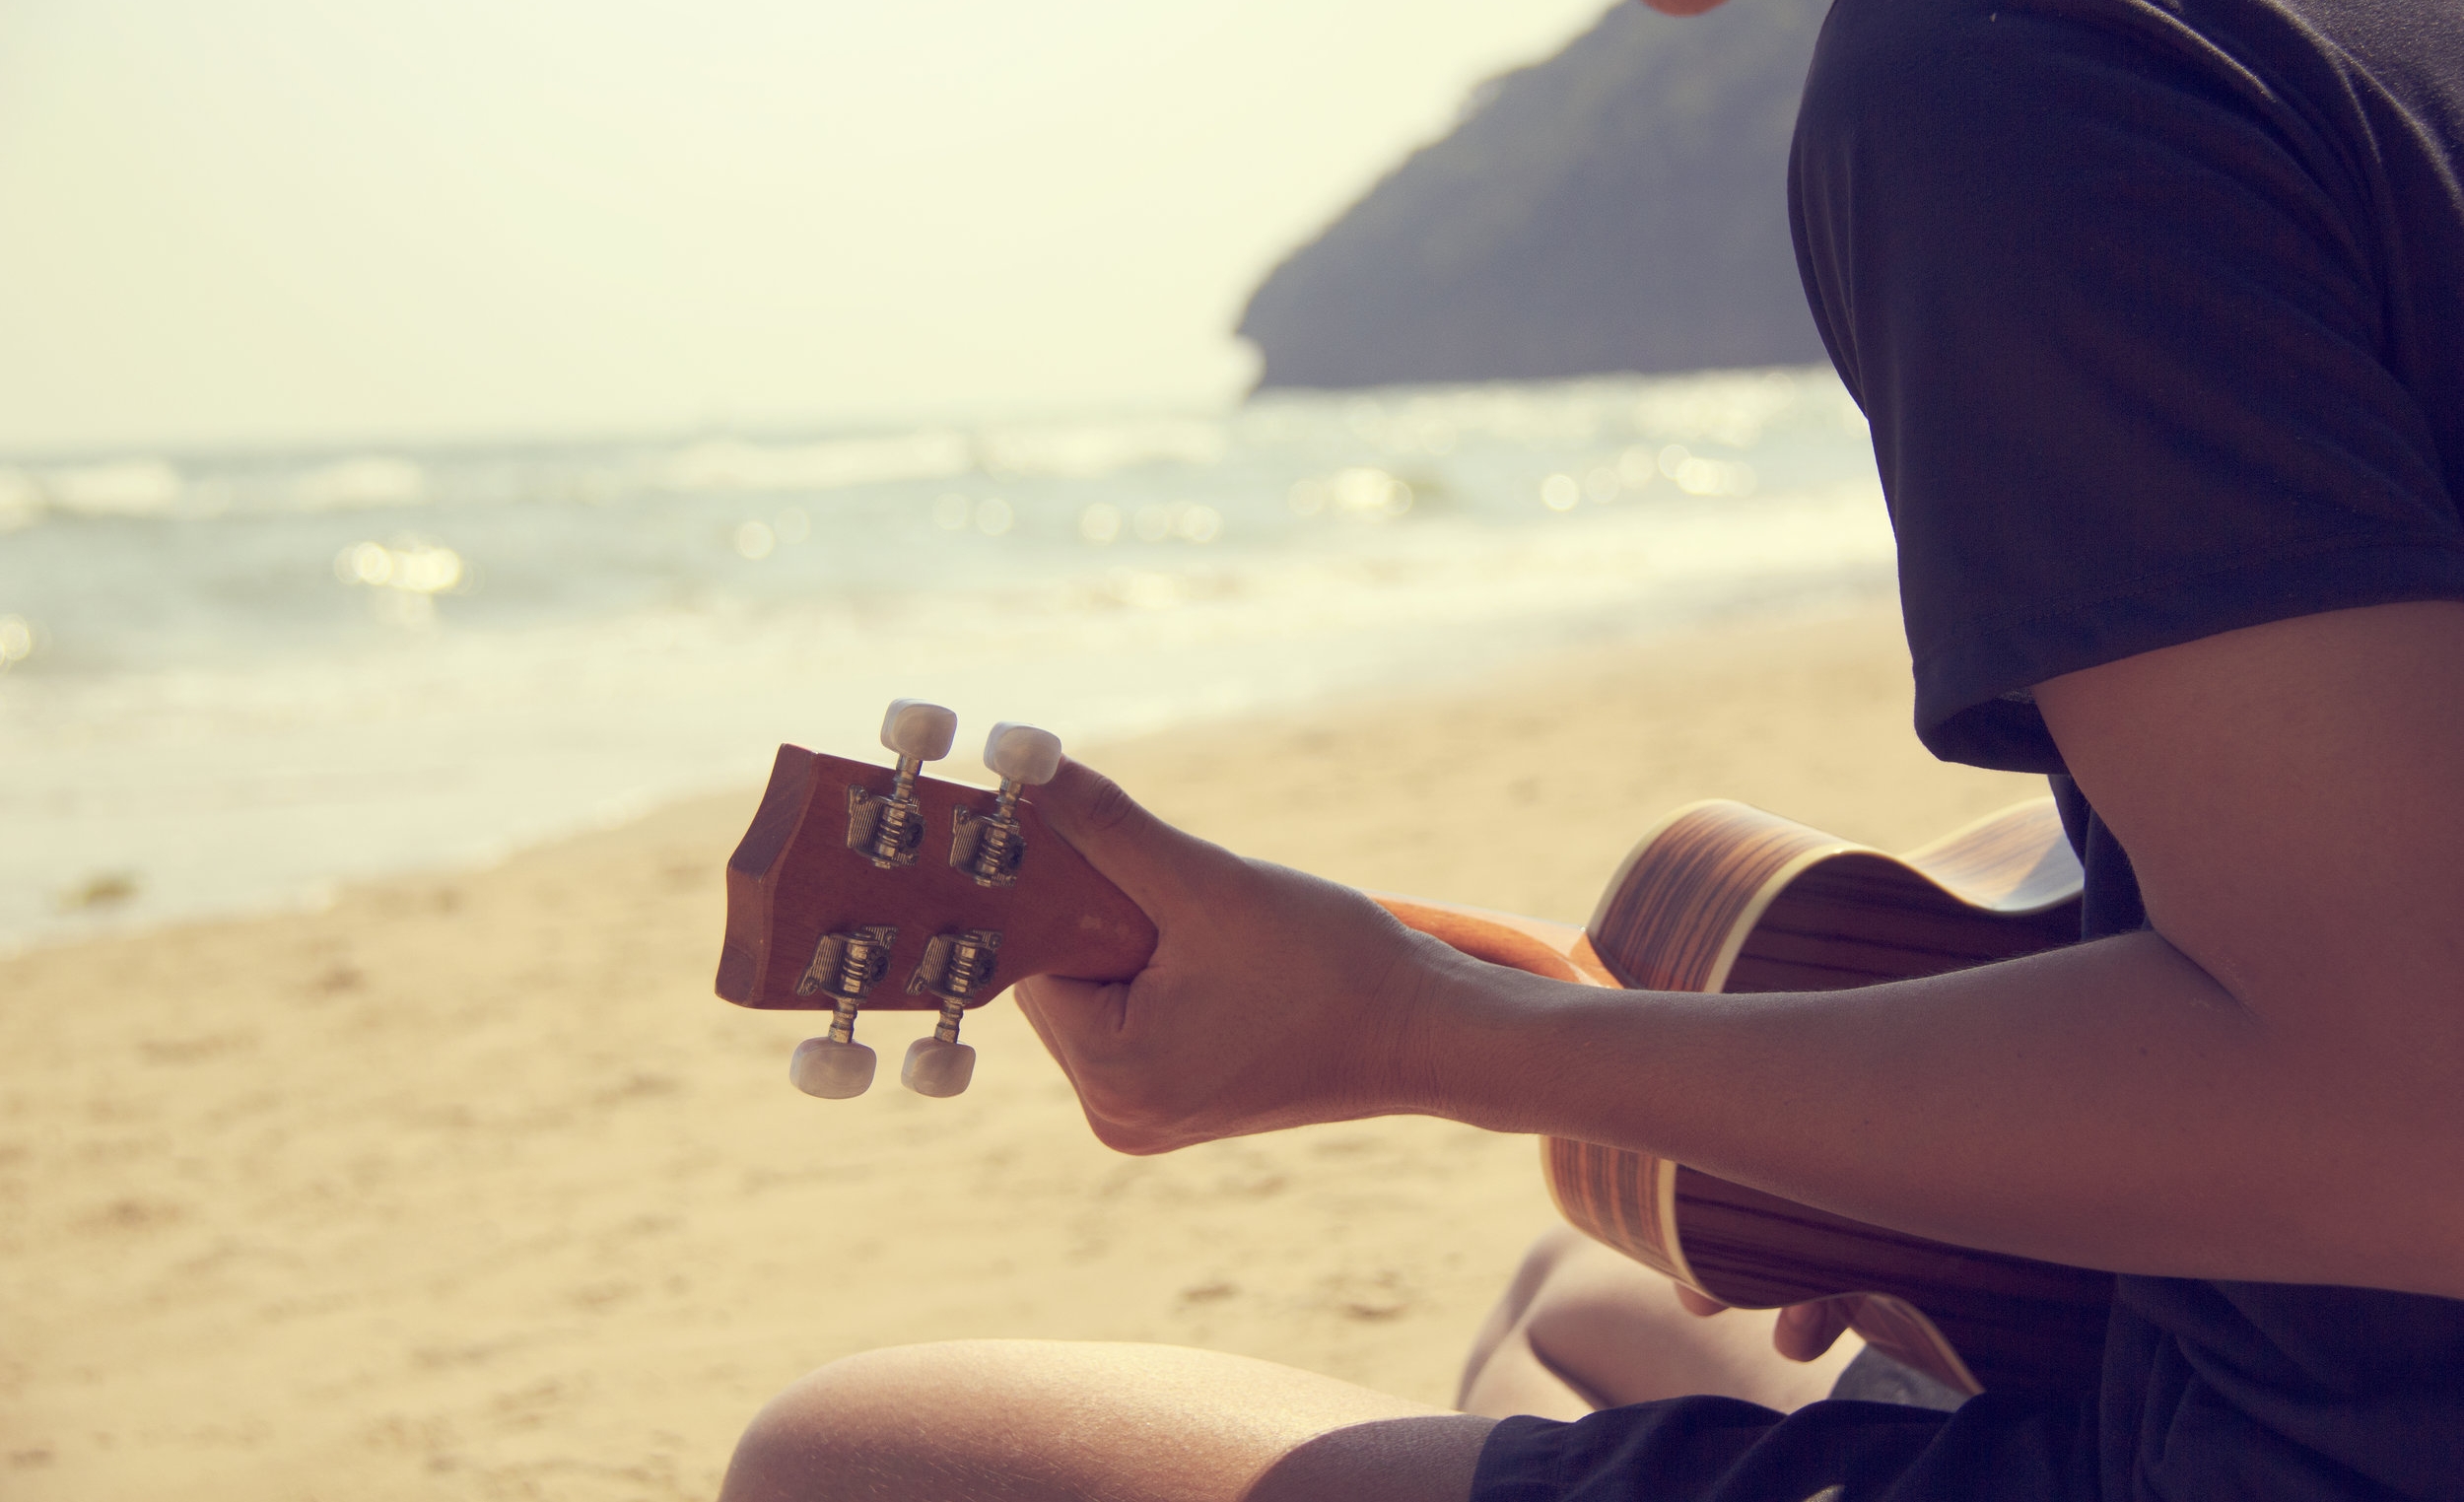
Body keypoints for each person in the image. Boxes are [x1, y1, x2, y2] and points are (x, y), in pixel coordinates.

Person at [718, 0, 2464, 1496]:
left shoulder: (2014, 70)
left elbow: (2399, 1118)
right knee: (1588, 1290)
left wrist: (1435, 1029)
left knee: (867, 1454)